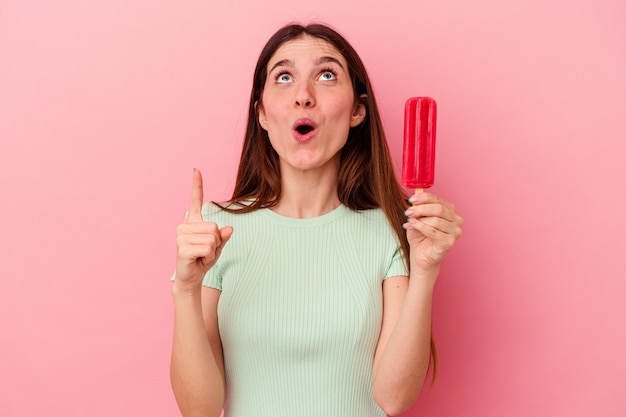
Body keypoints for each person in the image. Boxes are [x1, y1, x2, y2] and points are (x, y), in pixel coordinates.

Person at [170, 22, 463, 417]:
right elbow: (199, 410)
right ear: (261, 113)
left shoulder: (392, 229)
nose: (303, 97)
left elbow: (393, 399)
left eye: (326, 75)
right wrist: (186, 291)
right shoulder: (214, 230)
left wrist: (425, 270)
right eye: (284, 77)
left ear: (358, 109)